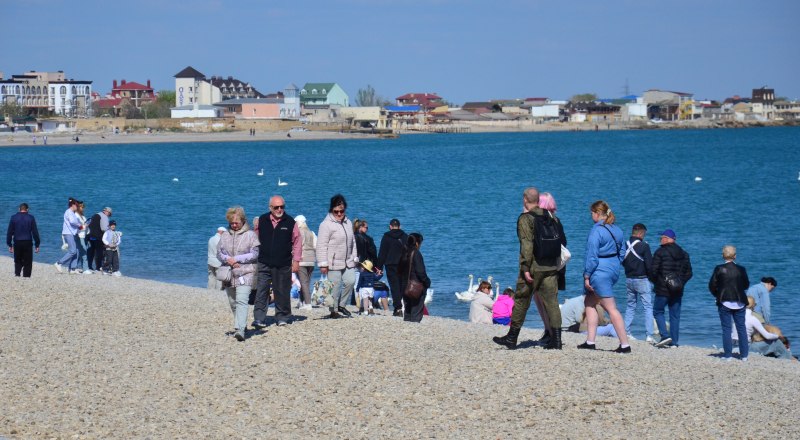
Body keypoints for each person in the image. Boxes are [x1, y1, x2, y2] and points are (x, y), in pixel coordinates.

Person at [493, 187, 562, 350]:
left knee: (522, 300)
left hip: (533, 267)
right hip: (551, 265)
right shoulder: (551, 217)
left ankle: (512, 338)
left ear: (525, 199)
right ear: (538, 200)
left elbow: (527, 245)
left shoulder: (525, 218)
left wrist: (525, 267)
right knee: (552, 302)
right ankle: (557, 340)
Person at [577, 200, 630, 353]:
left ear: (598, 213)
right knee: (590, 302)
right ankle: (590, 341)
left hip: (599, 272)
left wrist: (587, 276)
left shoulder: (596, 231)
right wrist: (614, 264)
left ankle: (625, 344)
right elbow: (622, 252)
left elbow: (592, 256)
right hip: (613, 270)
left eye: (592, 213)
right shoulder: (617, 230)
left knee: (610, 308)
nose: (591, 215)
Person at [253, 195, 301, 328]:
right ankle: (259, 318)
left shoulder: (290, 222)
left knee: (282, 291)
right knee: (261, 290)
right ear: (270, 208)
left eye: (282, 207)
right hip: (264, 261)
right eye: (276, 207)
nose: (279, 209)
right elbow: (254, 239)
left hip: (283, 263)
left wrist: (296, 261)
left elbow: (297, 243)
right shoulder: (262, 220)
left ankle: (282, 317)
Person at [217, 206, 260, 341]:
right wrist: (228, 260)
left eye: (237, 222)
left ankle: (240, 329)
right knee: (233, 302)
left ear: (243, 221)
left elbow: (255, 254)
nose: (234, 225)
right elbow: (219, 252)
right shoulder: (224, 235)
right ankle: (241, 324)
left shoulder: (251, 235)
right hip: (229, 274)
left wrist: (237, 259)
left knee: (242, 300)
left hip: (246, 273)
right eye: (232, 223)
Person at [648, 228, 693, 348]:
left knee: (657, 311)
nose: (660, 240)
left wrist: (657, 283)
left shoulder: (660, 252)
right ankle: (674, 342)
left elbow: (653, 271)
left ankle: (664, 335)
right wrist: (679, 283)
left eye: (661, 237)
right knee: (675, 315)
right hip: (677, 290)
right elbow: (689, 273)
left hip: (662, 289)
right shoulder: (684, 253)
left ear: (668, 239)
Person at [533, 191, 567, 346]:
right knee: (547, 299)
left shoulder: (540, 221)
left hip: (544, 265)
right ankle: (550, 331)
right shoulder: (556, 221)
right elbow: (563, 242)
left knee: (545, 299)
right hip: (557, 265)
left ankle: (550, 331)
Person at [316, 194, 358, 318]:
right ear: (331, 210)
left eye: (342, 211)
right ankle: (333, 311)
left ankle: (342, 305)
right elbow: (321, 245)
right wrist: (323, 264)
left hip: (348, 260)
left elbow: (353, 241)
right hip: (332, 262)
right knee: (335, 287)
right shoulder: (325, 224)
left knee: (350, 281)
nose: (339, 214)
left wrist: (355, 257)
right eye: (336, 211)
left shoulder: (348, 222)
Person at [708, 245, 750, 361]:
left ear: (723, 256)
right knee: (741, 328)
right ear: (735, 256)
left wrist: (718, 294)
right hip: (740, 301)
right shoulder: (741, 269)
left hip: (724, 301)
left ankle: (728, 355)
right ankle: (744, 355)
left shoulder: (719, 268)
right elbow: (746, 285)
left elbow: (712, 285)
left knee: (726, 329)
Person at [622, 223, 655, 343]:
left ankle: (626, 332)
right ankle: (649, 335)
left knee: (631, 306)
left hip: (629, 278)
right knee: (647, 307)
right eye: (644, 234)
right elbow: (649, 265)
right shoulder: (644, 246)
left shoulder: (625, 245)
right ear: (641, 233)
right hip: (642, 278)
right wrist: (653, 279)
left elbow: (622, 261)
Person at [375, 218, 408, 317]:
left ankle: (397, 308)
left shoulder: (386, 236)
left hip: (390, 264)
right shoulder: (405, 236)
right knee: (402, 285)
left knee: (394, 286)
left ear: (390, 226)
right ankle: (402, 305)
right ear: (399, 226)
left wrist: (379, 267)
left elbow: (382, 253)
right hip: (403, 264)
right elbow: (408, 252)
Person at [397, 232, 431, 323]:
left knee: (407, 311)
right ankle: (414, 328)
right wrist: (427, 282)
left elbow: (399, 270)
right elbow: (421, 272)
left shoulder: (404, 251)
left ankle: (407, 329)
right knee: (416, 311)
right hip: (415, 287)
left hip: (404, 286)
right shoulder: (416, 253)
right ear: (417, 243)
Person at [6, 203, 40, 277]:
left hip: (17, 241)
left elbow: (9, 232)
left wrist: (9, 244)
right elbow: (35, 232)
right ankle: (26, 276)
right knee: (28, 261)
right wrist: (37, 244)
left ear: (19, 209)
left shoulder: (13, 217)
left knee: (17, 259)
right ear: (27, 209)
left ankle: (17, 274)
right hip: (27, 241)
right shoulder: (31, 218)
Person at [55, 198, 83, 274]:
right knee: (73, 251)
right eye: (77, 205)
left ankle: (72, 268)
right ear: (73, 205)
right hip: (68, 233)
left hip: (73, 233)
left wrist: (81, 227)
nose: (78, 207)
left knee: (76, 250)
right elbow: (72, 221)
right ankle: (59, 263)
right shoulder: (69, 212)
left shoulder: (72, 213)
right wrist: (80, 225)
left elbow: (74, 225)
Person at [295, 215, 316, 310]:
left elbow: (295, 246)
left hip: (302, 260)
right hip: (311, 260)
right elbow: (316, 246)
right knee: (307, 282)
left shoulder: (299, 233)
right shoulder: (311, 233)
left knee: (303, 283)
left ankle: (308, 303)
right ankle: (302, 302)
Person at [87, 207, 112, 272]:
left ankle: (89, 266)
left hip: (90, 236)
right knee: (99, 252)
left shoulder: (95, 215)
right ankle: (98, 267)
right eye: (109, 214)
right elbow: (104, 228)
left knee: (91, 251)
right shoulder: (104, 217)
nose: (109, 215)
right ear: (107, 212)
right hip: (98, 236)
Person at [75, 201, 89, 273]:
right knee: (83, 251)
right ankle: (85, 268)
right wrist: (84, 226)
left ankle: (76, 267)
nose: (83, 209)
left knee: (80, 251)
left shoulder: (83, 216)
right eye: (82, 207)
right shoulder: (76, 215)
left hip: (84, 235)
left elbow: (84, 225)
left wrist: (87, 225)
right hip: (79, 235)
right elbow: (78, 227)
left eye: (83, 207)